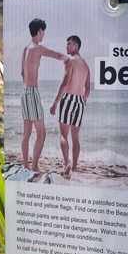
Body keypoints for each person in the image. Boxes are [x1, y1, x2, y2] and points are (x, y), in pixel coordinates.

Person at [20, 18, 67, 171]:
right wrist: (69, 58)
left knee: (26, 132)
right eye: (43, 32)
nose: (43, 35)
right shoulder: (37, 48)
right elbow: (58, 55)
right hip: (32, 93)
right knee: (41, 133)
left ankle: (26, 164)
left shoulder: (26, 49)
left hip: (24, 92)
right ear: (39, 31)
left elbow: (22, 73)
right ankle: (34, 167)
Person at [49, 35, 91, 176]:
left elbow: (65, 83)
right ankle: (74, 167)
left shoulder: (70, 61)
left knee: (63, 135)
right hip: (80, 101)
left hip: (68, 99)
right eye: (67, 44)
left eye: (70, 44)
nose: (67, 46)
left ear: (77, 46)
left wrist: (56, 102)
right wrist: (83, 99)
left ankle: (67, 162)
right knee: (75, 137)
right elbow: (88, 88)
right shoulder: (85, 64)